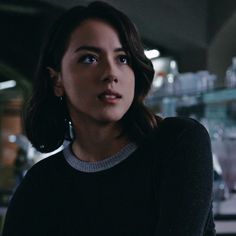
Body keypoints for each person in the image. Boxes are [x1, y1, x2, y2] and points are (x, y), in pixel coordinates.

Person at [2, 1, 215, 235]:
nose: (111, 73)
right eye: (89, 58)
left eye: (123, 59)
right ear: (57, 80)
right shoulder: (39, 186)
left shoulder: (178, 143)